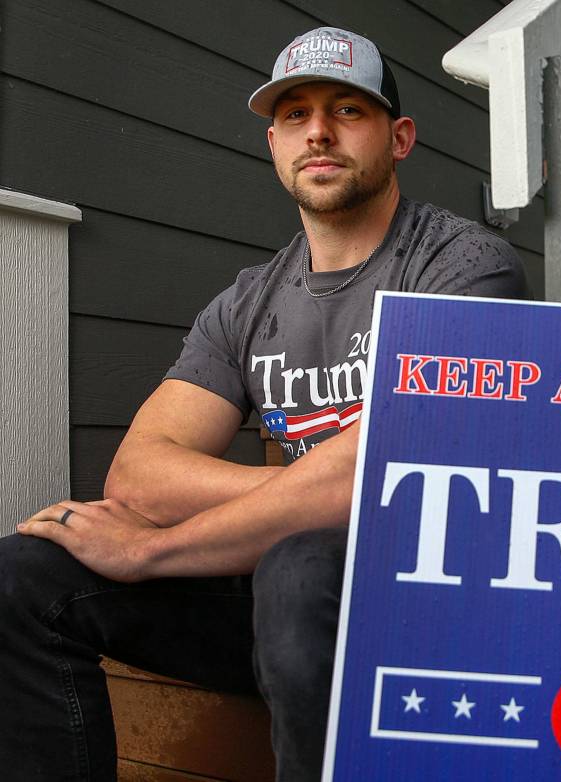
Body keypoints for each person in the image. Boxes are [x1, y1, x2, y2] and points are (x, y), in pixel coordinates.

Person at [0, 26, 529, 782]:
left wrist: (151, 549)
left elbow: (403, 469)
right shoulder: (247, 302)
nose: (318, 130)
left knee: (300, 561)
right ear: (273, 143)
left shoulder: (464, 266)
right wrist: (313, 493)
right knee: (23, 573)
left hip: (426, 602)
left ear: (399, 136)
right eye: (294, 114)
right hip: (274, 603)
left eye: (348, 110)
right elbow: (141, 474)